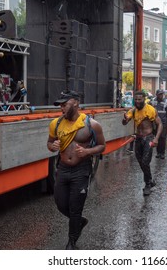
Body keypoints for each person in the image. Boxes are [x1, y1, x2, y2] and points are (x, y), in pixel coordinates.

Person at [47, 90, 105, 250]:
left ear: (76, 103)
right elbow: (49, 143)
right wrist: (53, 146)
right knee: (60, 203)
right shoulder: (56, 124)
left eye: (64, 104)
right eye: (60, 105)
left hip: (82, 170)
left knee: (75, 206)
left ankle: (71, 242)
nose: (61, 108)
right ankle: (78, 220)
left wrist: (87, 151)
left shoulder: (91, 124)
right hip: (63, 169)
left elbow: (102, 146)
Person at [122, 90, 163, 196]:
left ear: (144, 99)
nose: (137, 101)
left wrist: (156, 138)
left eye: (139, 99)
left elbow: (160, 124)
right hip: (138, 139)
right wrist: (125, 119)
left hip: (148, 138)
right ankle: (150, 179)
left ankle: (148, 184)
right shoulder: (133, 110)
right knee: (140, 162)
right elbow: (125, 122)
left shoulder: (150, 110)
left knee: (145, 162)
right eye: (135, 99)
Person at [150, 89, 167, 159]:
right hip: (155, 122)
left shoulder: (166, 102)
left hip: (164, 123)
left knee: (163, 138)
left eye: (162, 94)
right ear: (156, 94)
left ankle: (162, 153)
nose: (161, 95)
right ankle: (158, 153)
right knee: (157, 137)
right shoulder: (152, 101)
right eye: (159, 94)